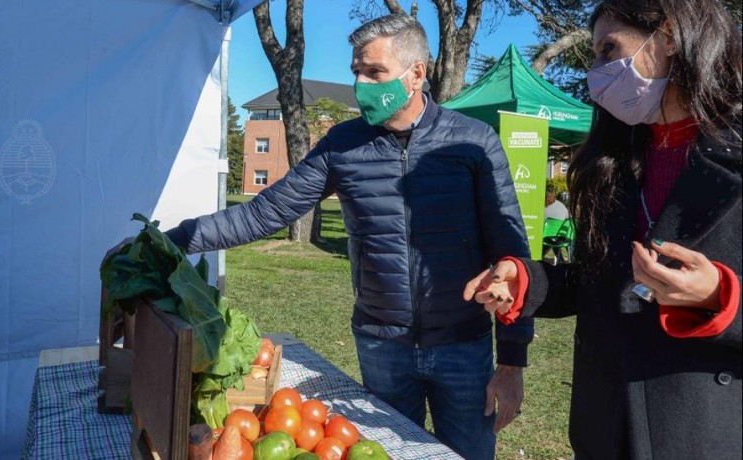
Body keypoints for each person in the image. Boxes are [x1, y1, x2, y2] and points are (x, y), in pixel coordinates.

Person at [109, 14, 531, 459]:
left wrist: (513, 361)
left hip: (463, 348)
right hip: (382, 345)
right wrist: (171, 239)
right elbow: (266, 211)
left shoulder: (472, 142)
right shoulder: (342, 145)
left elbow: (513, 253)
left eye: (374, 73)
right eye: (356, 72)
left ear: (417, 75)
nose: (361, 84)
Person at [464, 0, 741, 458]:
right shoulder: (611, 161)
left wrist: (720, 298)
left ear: (669, 37)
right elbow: (600, 283)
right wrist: (525, 280)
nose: (596, 73)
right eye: (593, 55)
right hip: (604, 423)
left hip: (702, 427)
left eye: (608, 49)